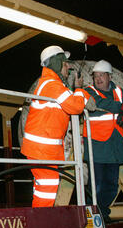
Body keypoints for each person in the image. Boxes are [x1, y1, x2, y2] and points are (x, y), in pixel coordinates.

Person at [21, 45, 95, 207]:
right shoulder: (51, 85)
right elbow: (75, 106)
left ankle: (40, 222)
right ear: (56, 63)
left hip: (43, 149)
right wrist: (81, 90)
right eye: (65, 63)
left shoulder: (51, 84)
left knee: (43, 188)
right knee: (47, 189)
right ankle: (42, 225)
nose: (68, 67)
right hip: (42, 150)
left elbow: (69, 101)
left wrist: (75, 90)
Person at [82, 60, 123, 222]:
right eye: (96, 76)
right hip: (97, 147)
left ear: (109, 76)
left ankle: (101, 214)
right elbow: (100, 103)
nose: (98, 79)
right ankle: (93, 216)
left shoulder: (119, 92)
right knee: (97, 185)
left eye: (102, 75)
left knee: (111, 187)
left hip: (115, 148)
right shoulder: (89, 91)